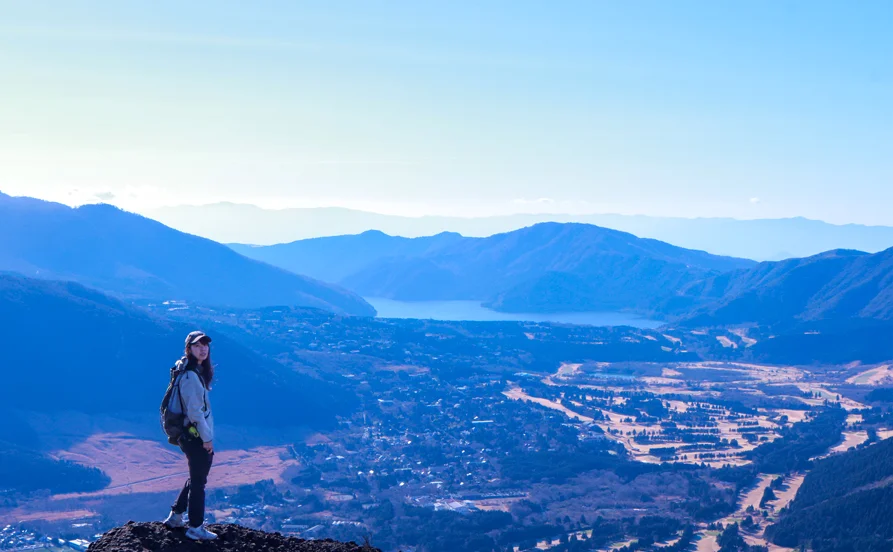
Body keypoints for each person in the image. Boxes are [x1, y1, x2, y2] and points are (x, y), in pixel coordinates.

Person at [163, 331, 218, 540]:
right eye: (197, 346)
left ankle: (176, 517)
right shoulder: (191, 377)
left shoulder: (190, 371)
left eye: (205, 345)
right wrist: (207, 439)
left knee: (196, 477)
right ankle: (195, 527)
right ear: (189, 349)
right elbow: (195, 413)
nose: (203, 349)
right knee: (198, 483)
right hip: (194, 435)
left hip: (191, 434)